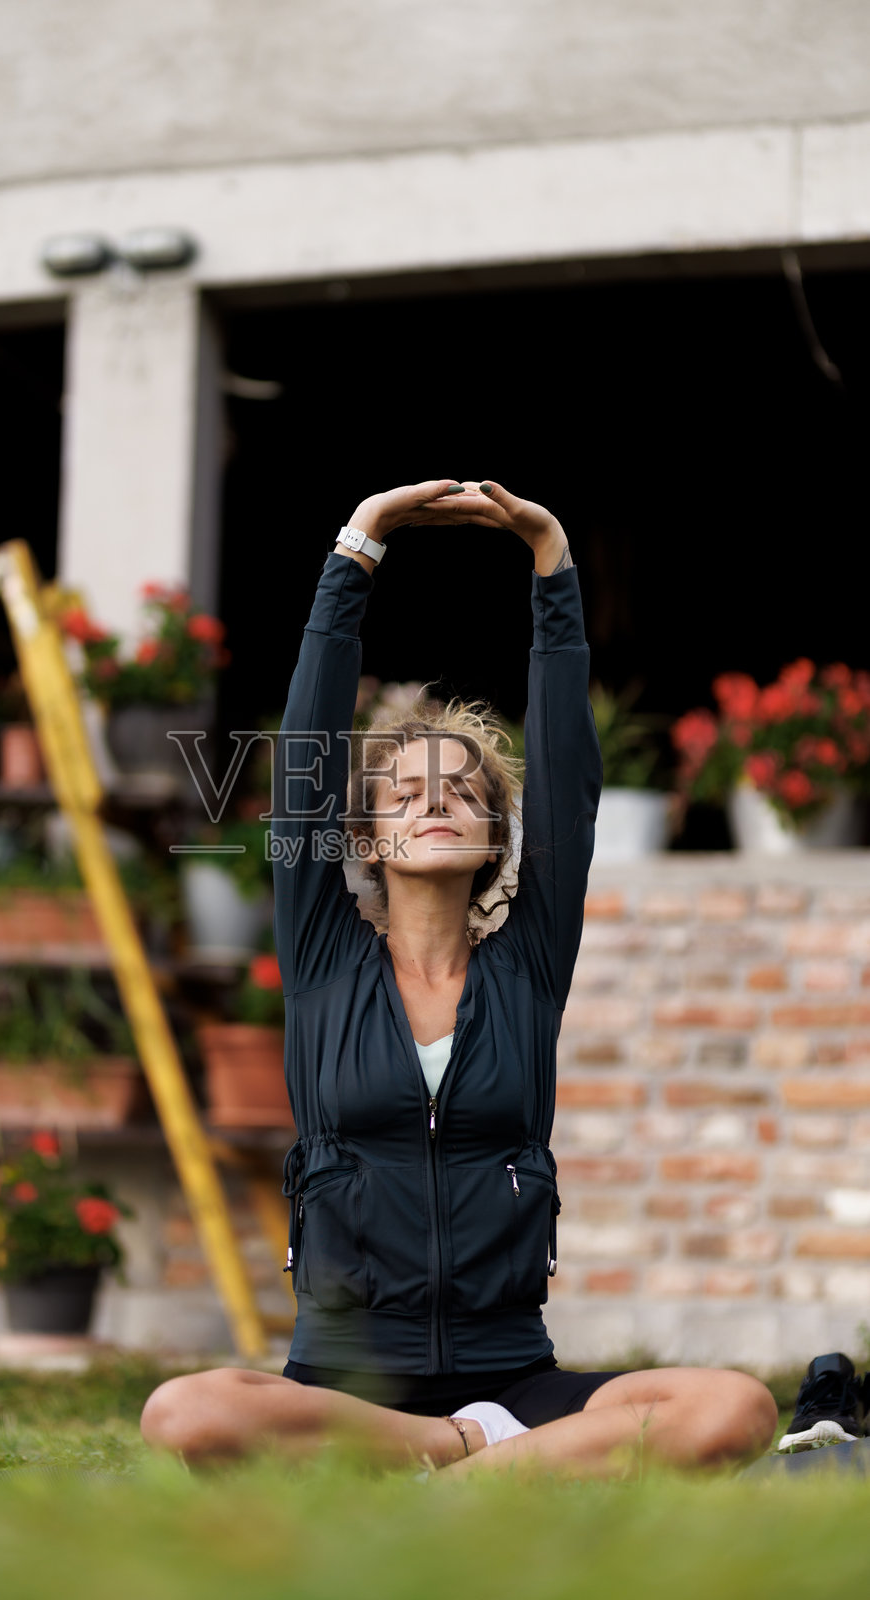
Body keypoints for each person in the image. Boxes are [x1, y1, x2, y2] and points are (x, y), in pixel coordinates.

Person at [141, 478, 777, 1474]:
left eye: (461, 790)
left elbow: (566, 776)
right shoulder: (319, 959)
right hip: (344, 1380)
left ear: (493, 833)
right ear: (365, 835)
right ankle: (467, 1453)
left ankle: (455, 1470)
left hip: (513, 1367)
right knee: (185, 1412)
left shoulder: (527, 964)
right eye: (405, 791)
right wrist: (358, 544)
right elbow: (305, 754)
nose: (434, 801)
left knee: (731, 1407)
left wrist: (551, 562)